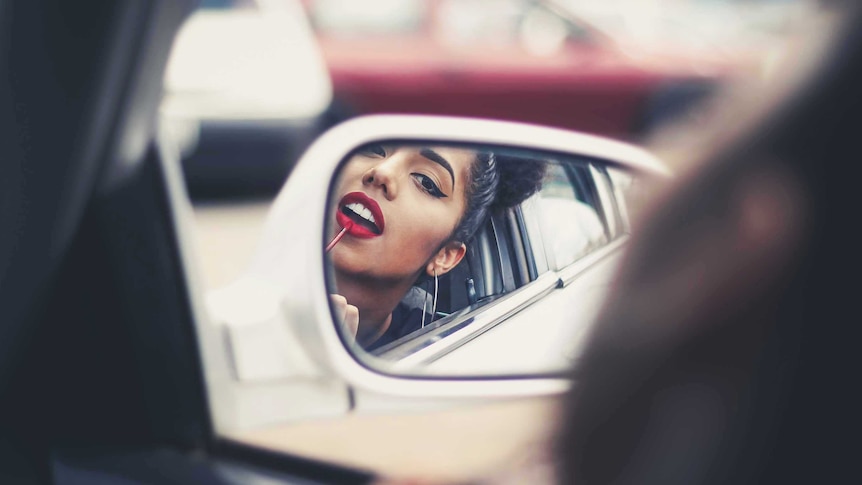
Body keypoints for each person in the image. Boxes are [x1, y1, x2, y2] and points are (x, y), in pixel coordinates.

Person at [326, 143, 545, 350]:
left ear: (446, 256)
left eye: (426, 181)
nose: (383, 171)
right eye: (374, 148)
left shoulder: (433, 351)